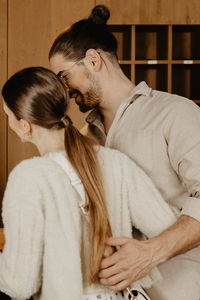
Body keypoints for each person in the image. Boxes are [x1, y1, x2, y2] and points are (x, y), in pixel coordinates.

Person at [0, 67, 177, 300]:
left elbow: (19, 284)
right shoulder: (116, 163)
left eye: (8, 116)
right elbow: (168, 229)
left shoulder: (28, 178)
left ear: (24, 125)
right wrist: (133, 253)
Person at [48, 5, 200, 300]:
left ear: (93, 60)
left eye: (64, 77)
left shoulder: (176, 113)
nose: (64, 90)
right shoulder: (84, 137)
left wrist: (150, 253)